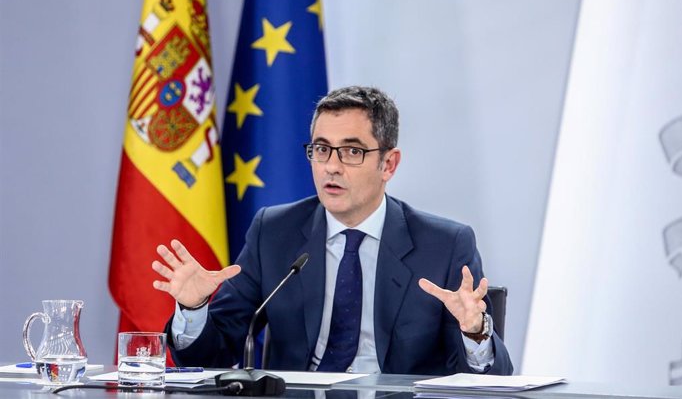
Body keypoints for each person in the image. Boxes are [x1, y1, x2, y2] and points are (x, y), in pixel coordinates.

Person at [152, 86, 513, 375]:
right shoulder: (274, 232)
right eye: (321, 149)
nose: (331, 167)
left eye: (351, 152)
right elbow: (211, 355)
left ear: (388, 164)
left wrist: (475, 331)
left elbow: (489, 381)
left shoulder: (444, 245)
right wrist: (194, 307)